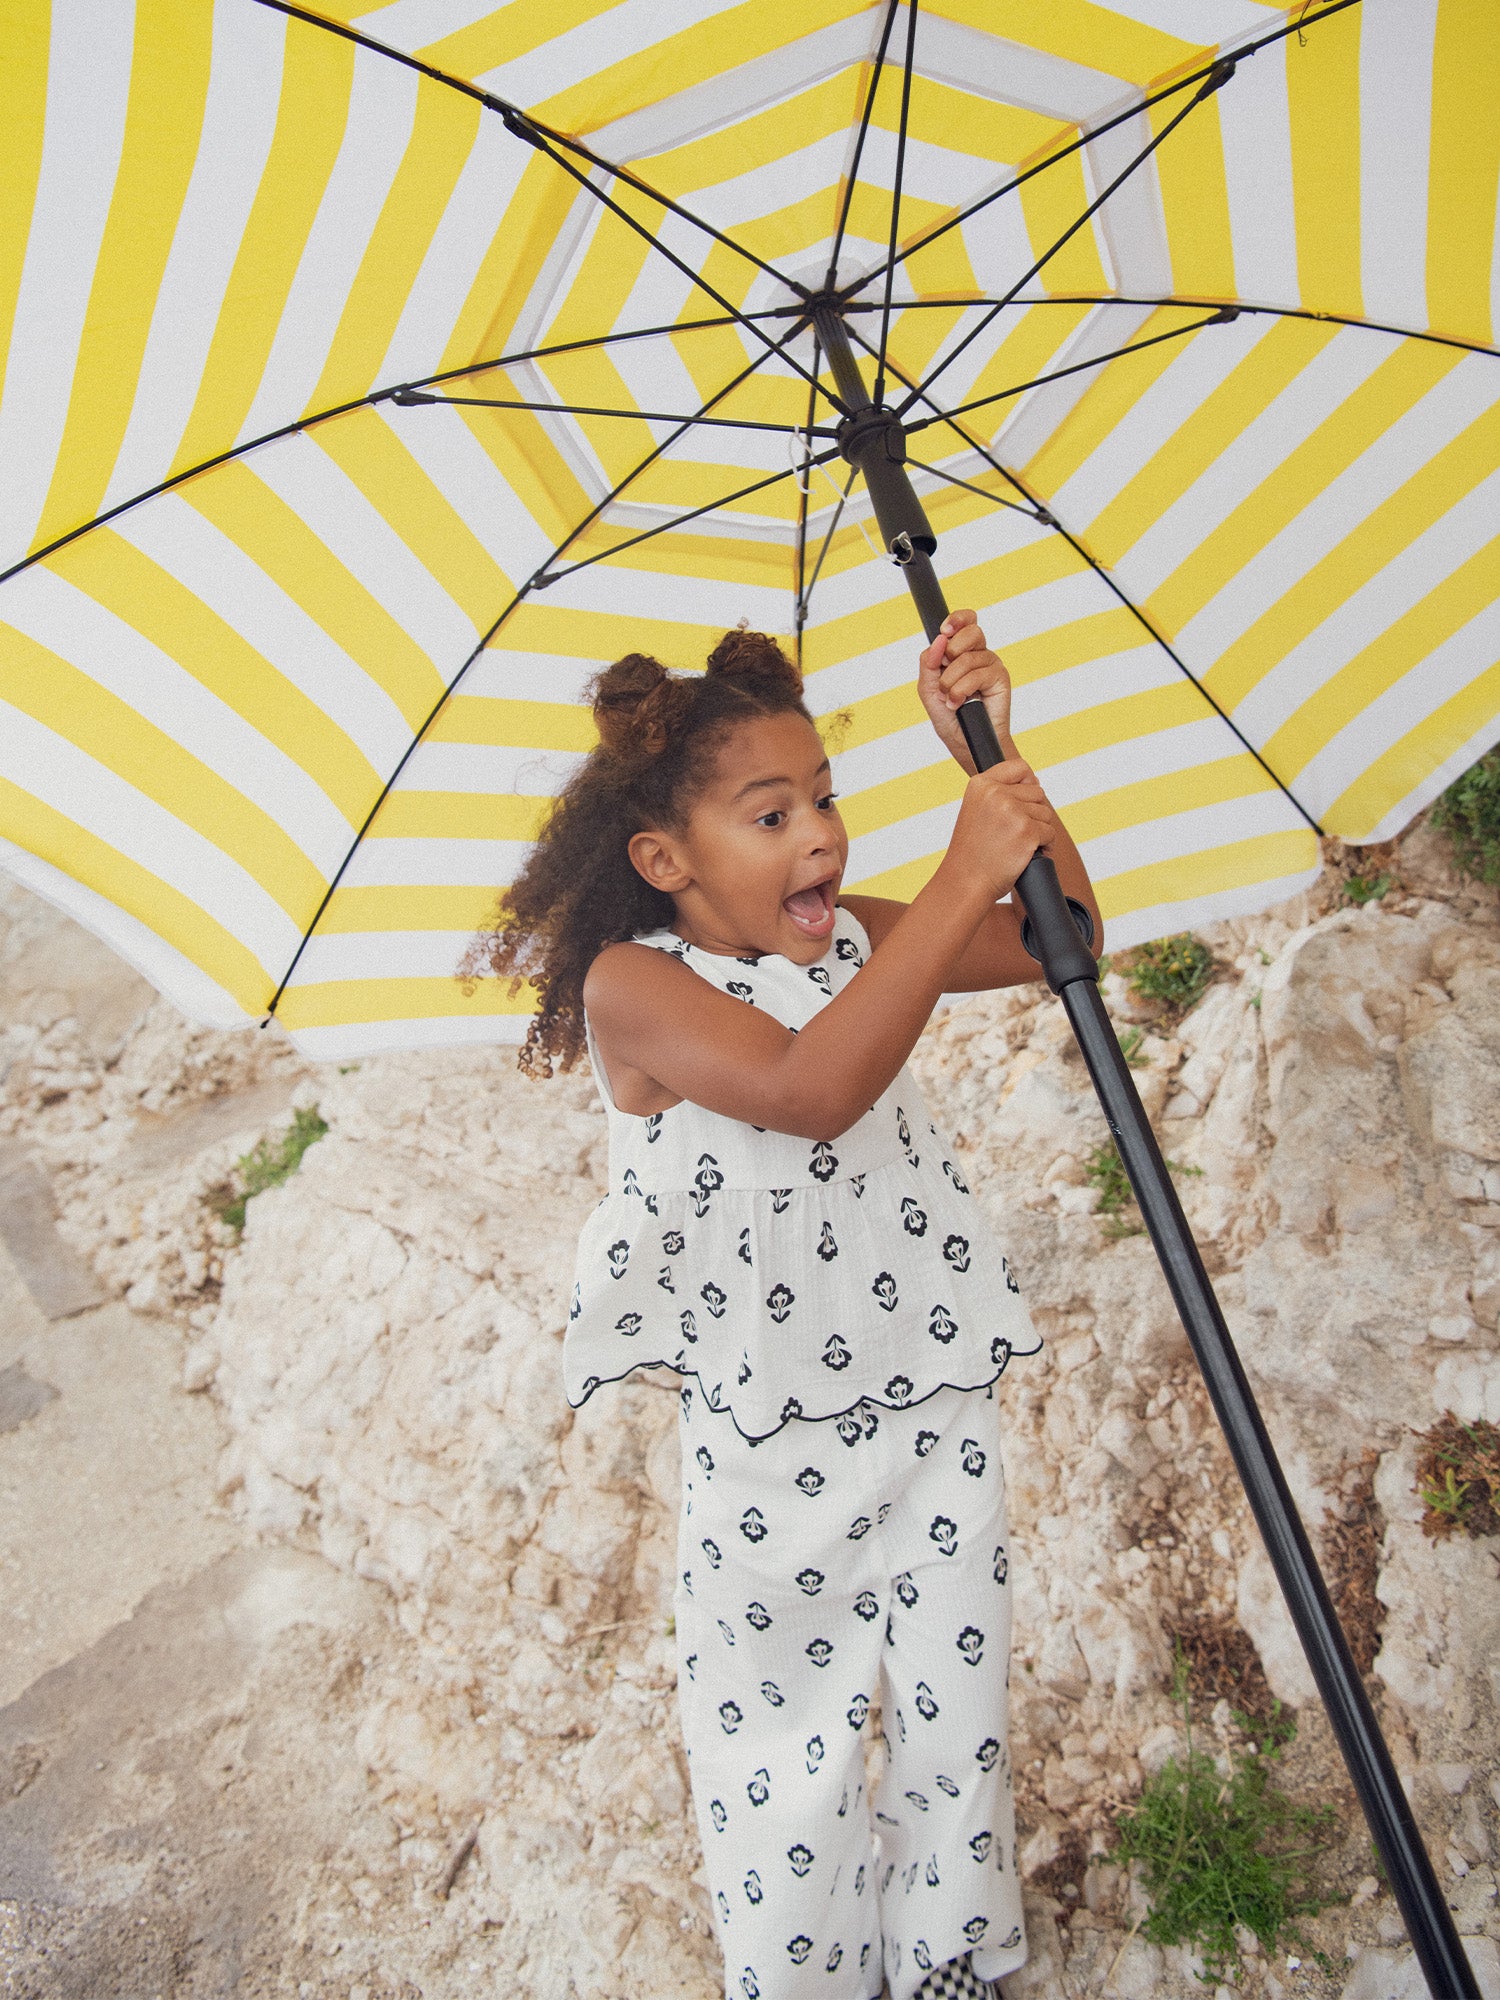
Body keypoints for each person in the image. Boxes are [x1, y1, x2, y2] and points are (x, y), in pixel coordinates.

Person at [471, 611, 1101, 2000]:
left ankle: (950, 1961)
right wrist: (957, 874)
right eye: (772, 815)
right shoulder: (635, 986)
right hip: (772, 1448)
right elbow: (810, 1091)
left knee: (957, 1714)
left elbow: (1065, 940)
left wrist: (991, 762)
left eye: (824, 798)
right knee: (787, 1750)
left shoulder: (858, 938)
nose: (820, 834)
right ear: (666, 860)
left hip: (934, 1394)